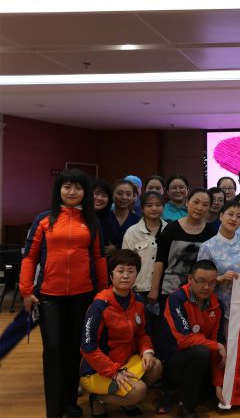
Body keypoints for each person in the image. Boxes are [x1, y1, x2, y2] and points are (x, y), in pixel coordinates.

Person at [20, 169, 108, 418]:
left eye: (78, 187)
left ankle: (71, 404)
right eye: (67, 186)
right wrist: (26, 291)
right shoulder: (44, 220)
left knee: (74, 350)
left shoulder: (92, 221)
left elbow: (99, 258)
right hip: (50, 297)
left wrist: (103, 293)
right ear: (58, 190)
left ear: (85, 192)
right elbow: (29, 257)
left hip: (83, 295)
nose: (72, 191)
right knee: (53, 349)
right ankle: (54, 410)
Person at [80, 250, 163, 417]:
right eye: (120, 271)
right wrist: (113, 372)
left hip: (124, 363)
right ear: (111, 275)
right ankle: (97, 398)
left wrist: (147, 352)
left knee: (156, 366)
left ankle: (123, 396)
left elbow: (142, 334)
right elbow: (88, 348)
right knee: (139, 390)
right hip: (97, 370)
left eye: (131, 271)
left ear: (136, 275)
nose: (125, 276)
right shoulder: (99, 306)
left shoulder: (138, 301)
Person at [160, 260, 226, 418]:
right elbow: (184, 339)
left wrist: (218, 383)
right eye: (201, 281)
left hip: (201, 361)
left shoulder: (217, 304)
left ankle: (204, 391)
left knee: (213, 353)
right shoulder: (176, 299)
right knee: (201, 351)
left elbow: (216, 344)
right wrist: (216, 345)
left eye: (212, 283)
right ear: (190, 279)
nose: (206, 287)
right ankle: (185, 406)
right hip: (173, 361)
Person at [149, 188, 216, 321]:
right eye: (196, 202)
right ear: (187, 202)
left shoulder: (211, 232)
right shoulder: (171, 229)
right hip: (170, 289)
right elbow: (160, 260)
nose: (199, 207)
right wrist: (154, 289)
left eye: (205, 204)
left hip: (199, 293)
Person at [198, 201, 240, 323]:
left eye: (238, 216)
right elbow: (200, 278)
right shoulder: (207, 246)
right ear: (221, 216)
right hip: (217, 303)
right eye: (230, 214)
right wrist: (220, 278)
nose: (234, 219)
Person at [122, 191, 167, 297]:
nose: (154, 208)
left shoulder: (169, 229)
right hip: (139, 287)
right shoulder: (132, 232)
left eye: (158, 205)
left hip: (164, 288)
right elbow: (125, 261)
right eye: (149, 205)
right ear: (142, 208)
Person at [103, 178, 141, 252]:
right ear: (112, 194)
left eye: (128, 194)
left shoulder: (138, 220)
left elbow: (139, 243)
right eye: (119, 193)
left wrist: (117, 248)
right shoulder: (102, 217)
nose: (124, 197)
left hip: (130, 258)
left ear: (133, 196)